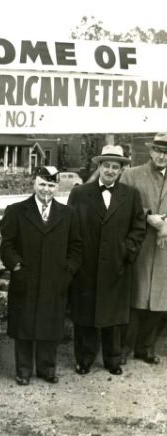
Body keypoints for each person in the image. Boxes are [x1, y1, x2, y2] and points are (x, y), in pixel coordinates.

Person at [0, 166, 83, 385]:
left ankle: (47, 368)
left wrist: (69, 271)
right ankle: (24, 370)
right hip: (25, 278)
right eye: (42, 184)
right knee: (24, 325)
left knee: (51, 323)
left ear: (57, 187)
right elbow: (6, 245)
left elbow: (76, 247)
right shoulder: (16, 210)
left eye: (51, 185)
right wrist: (16, 266)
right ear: (34, 183)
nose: (46, 189)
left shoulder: (68, 214)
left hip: (55, 280)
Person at [68, 145, 146, 375]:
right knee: (85, 316)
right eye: (106, 166)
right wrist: (76, 261)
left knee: (113, 318)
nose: (110, 170)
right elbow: (71, 228)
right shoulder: (80, 193)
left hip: (117, 267)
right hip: (87, 267)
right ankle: (84, 359)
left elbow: (138, 228)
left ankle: (112, 360)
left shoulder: (131, 195)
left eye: (115, 166)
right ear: (99, 167)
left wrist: (126, 253)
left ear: (121, 170)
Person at [120, 132, 167, 364]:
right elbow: (120, 205)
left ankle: (145, 348)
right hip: (139, 246)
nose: (162, 155)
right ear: (150, 151)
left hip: (164, 248)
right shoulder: (131, 174)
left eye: (166, 152)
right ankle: (123, 349)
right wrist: (148, 216)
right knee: (134, 298)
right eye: (158, 150)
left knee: (159, 299)